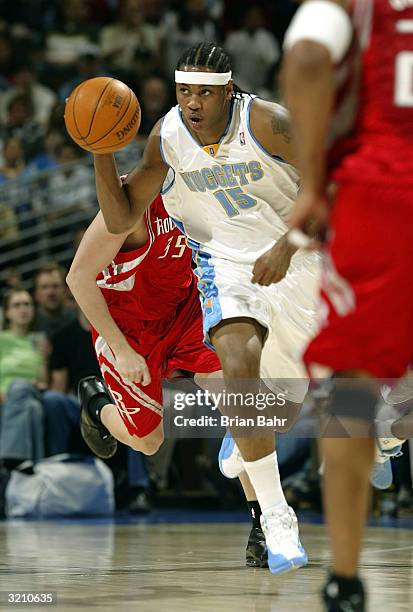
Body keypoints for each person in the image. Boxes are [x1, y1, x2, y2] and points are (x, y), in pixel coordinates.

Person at [83, 41, 321, 574]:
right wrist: (102, 151)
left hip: (296, 254)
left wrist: (289, 246)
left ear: (228, 91)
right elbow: (119, 221)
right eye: (184, 91)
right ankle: (276, 518)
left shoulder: (268, 122)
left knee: (291, 399)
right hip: (223, 267)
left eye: (204, 94)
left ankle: (258, 445)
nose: (192, 103)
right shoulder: (166, 138)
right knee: (232, 369)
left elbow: (328, 180)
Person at [283, 1, 413, 609]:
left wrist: (310, 184)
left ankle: (345, 579)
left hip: (384, 191)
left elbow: (308, 57)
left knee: (353, 392)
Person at [67, 189, 221, 458]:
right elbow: (77, 278)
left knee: (239, 392)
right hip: (131, 329)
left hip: (182, 310)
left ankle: (257, 492)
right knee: (149, 443)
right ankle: (96, 403)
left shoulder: (200, 183)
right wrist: (122, 350)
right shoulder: (132, 199)